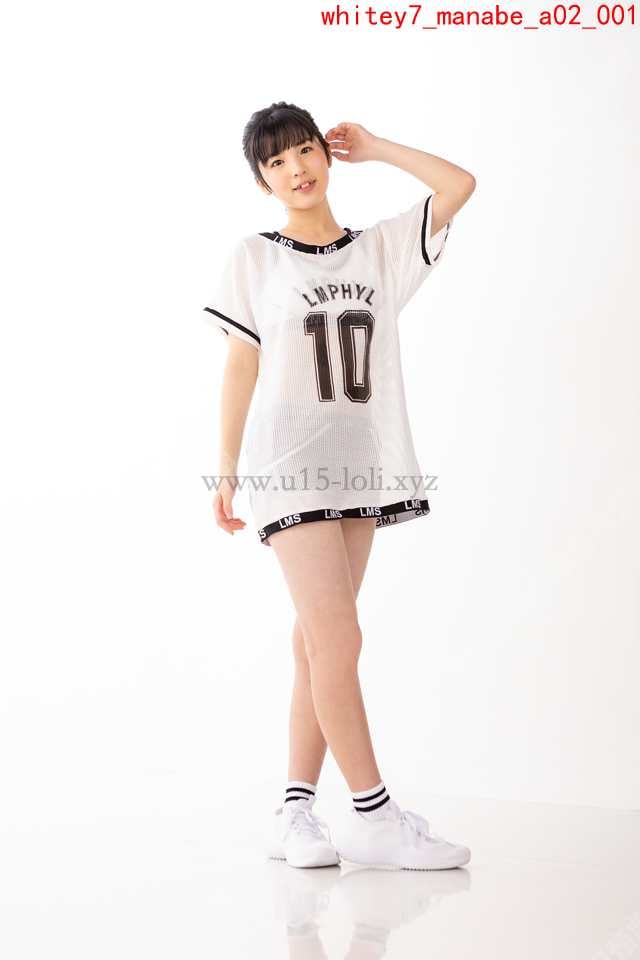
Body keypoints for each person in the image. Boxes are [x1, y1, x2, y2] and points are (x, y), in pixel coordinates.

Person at [203, 101, 476, 870]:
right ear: (262, 181)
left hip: (360, 464)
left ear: (326, 154)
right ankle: (373, 814)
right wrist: (227, 468)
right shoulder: (255, 258)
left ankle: (295, 813)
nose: (295, 169)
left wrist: (379, 146)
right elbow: (241, 364)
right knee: (338, 640)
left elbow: (458, 185)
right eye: (276, 162)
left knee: (317, 646)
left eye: (304, 151)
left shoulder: (379, 250)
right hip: (288, 465)